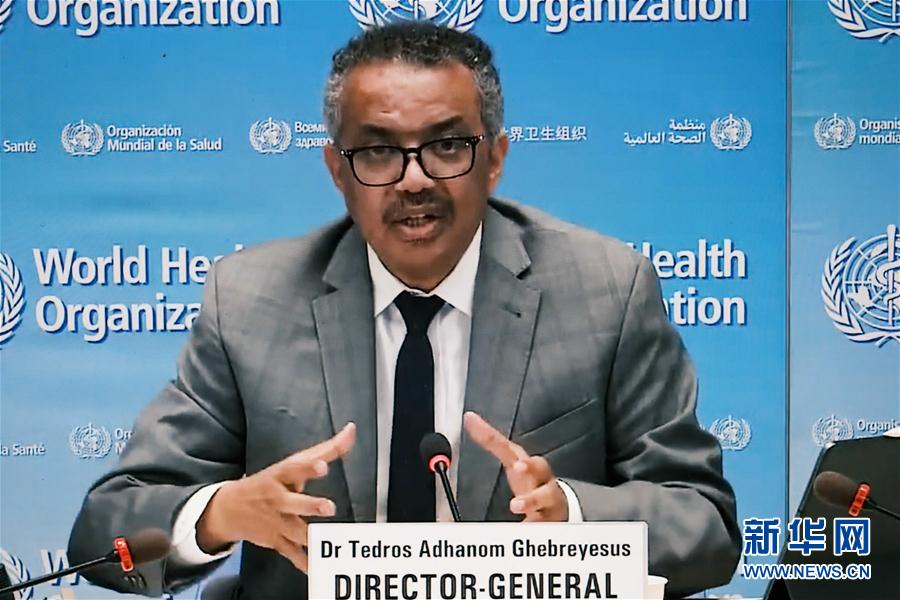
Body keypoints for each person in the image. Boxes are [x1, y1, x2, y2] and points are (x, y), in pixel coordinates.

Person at [68, 22, 741, 598]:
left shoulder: (606, 290)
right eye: (379, 151)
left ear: (495, 158)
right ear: (337, 170)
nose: (414, 179)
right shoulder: (250, 302)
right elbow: (105, 532)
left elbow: (704, 527)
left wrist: (572, 518)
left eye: (447, 146)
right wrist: (222, 513)